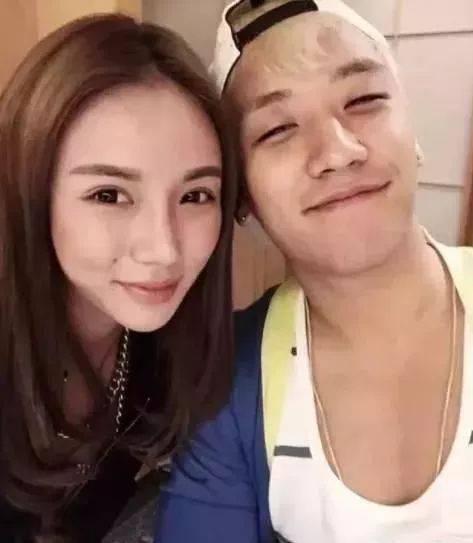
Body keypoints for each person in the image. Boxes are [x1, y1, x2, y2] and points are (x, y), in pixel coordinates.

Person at [155, 1, 473, 542]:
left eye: (364, 100)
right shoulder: (228, 383)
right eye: (278, 129)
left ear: (413, 133)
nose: (338, 152)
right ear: (242, 198)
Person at [0, 12, 236, 542]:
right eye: (109, 195)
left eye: (196, 195)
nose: (164, 249)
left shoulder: (172, 349)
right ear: (29, 193)